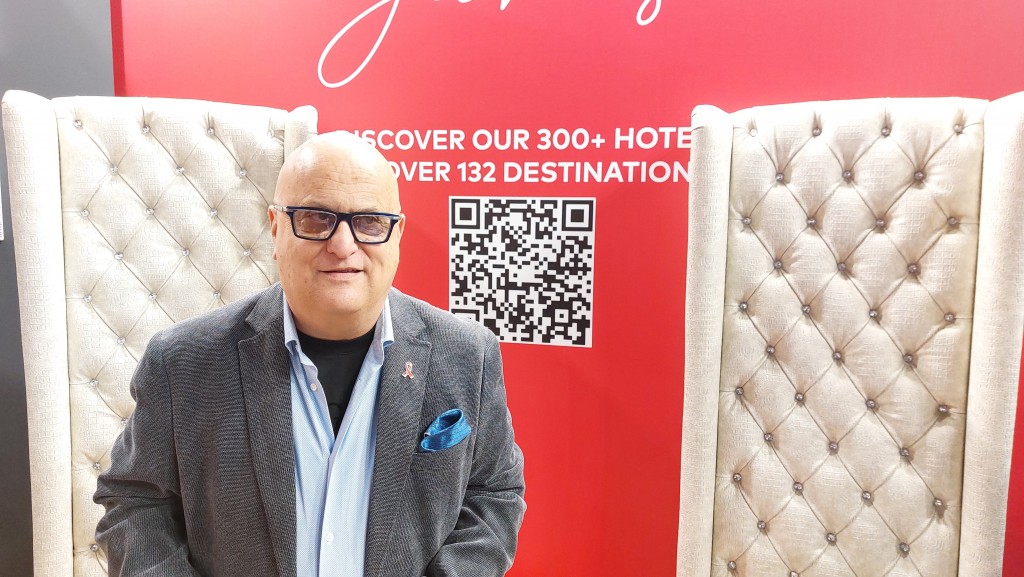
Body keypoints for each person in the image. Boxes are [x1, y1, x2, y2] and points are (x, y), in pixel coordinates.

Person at [94, 131, 526, 577]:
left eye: (370, 222)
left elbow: (493, 493)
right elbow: (135, 502)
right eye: (317, 219)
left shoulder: (468, 355)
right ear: (276, 228)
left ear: (397, 234)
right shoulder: (182, 362)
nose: (342, 245)